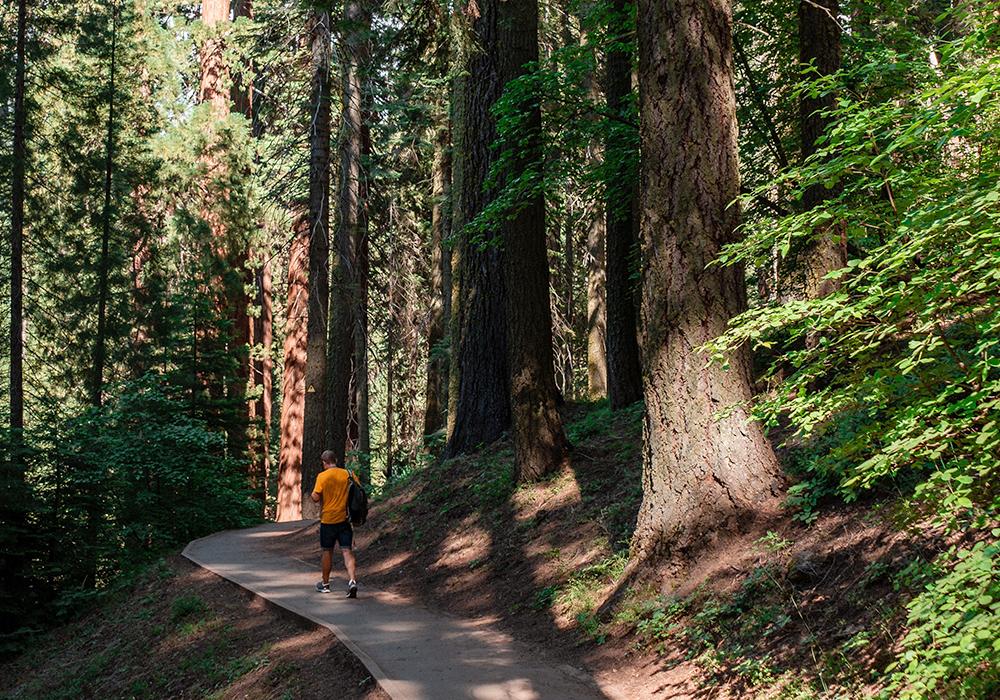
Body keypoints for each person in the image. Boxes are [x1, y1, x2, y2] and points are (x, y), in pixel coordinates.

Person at [311, 450, 360, 597]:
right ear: (336, 460)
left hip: (328, 520)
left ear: (324, 462)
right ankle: (352, 581)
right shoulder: (348, 474)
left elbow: (315, 497)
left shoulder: (322, 476)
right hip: (344, 519)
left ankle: (325, 584)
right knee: (347, 550)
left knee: (327, 551)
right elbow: (358, 490)